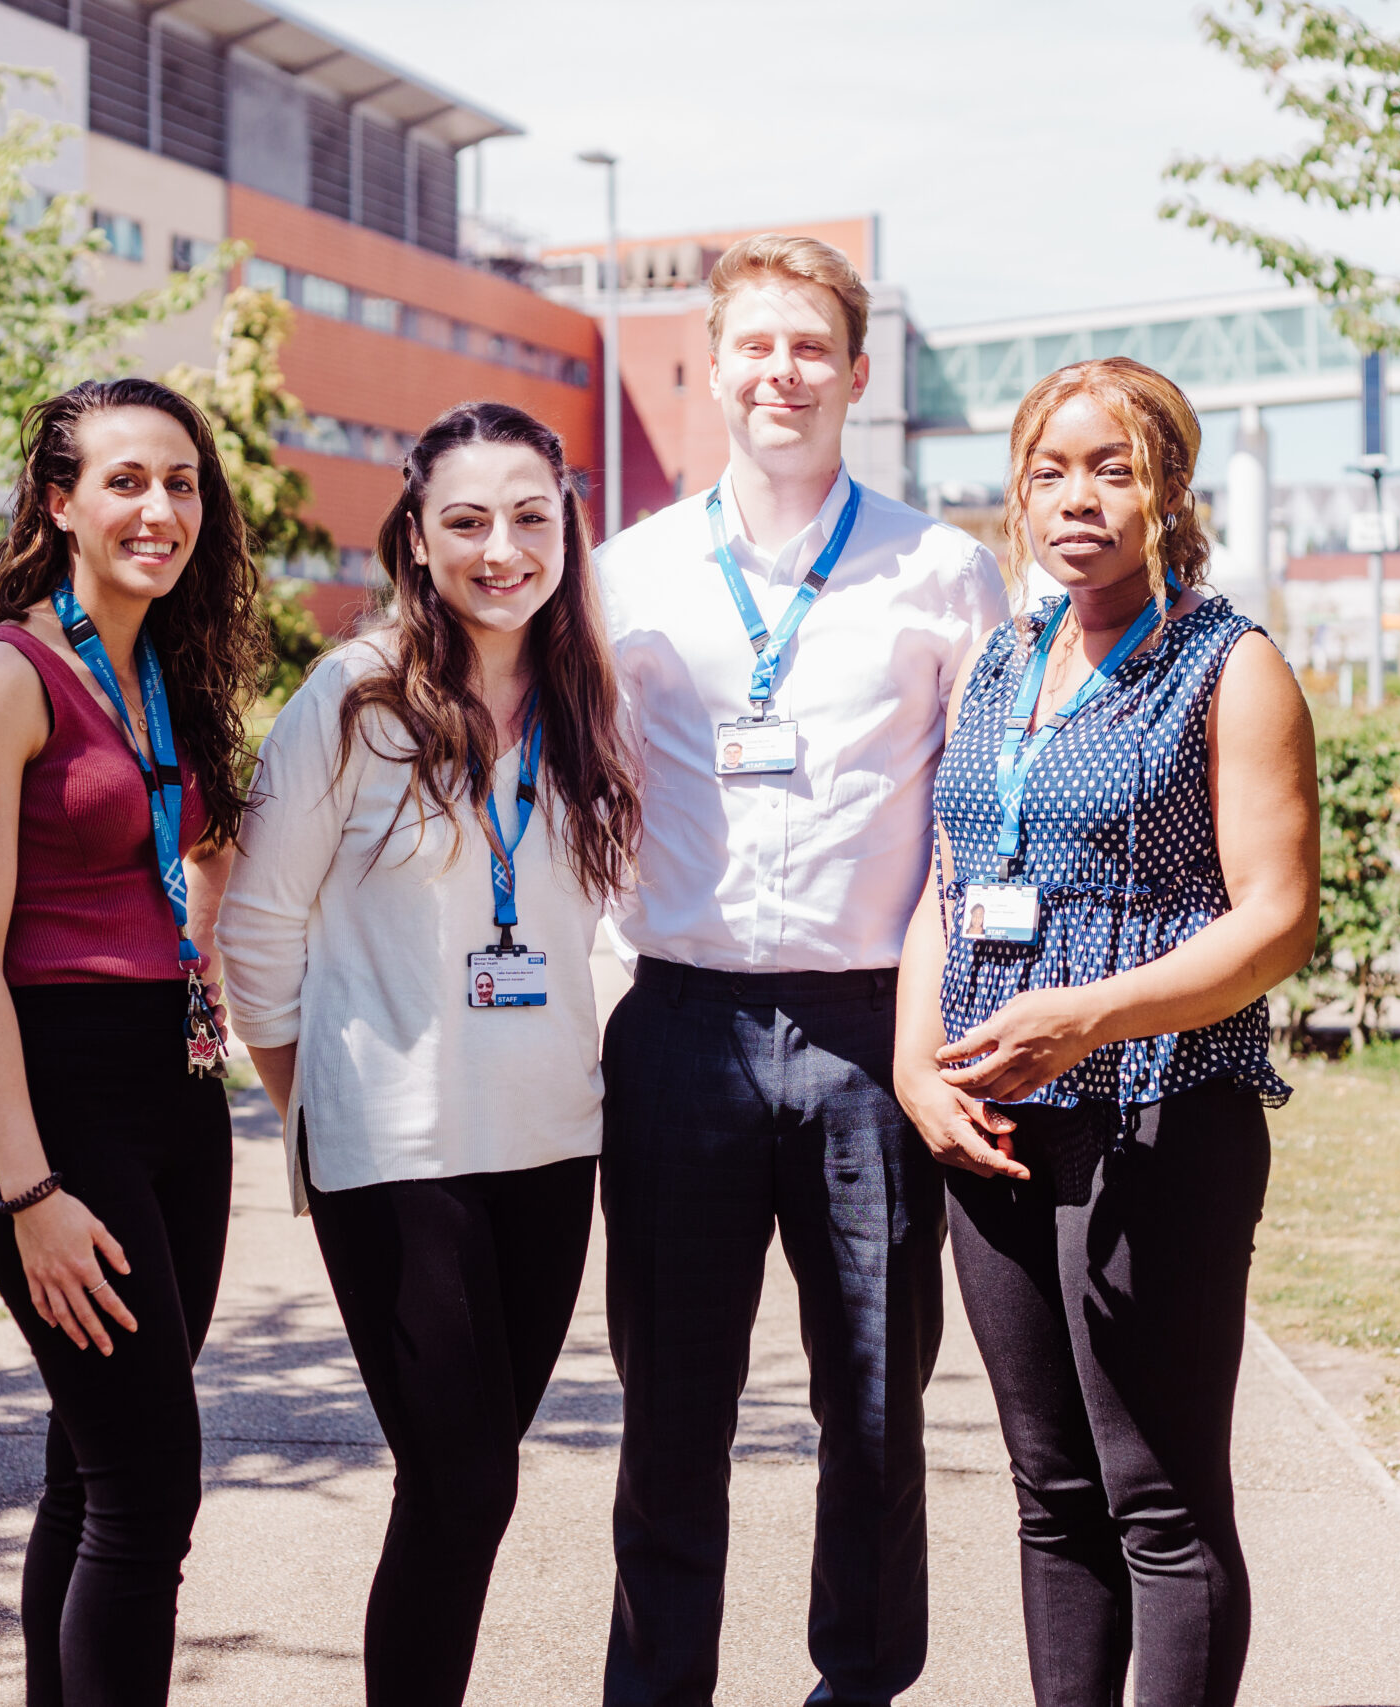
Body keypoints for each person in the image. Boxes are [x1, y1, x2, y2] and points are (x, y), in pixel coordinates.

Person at [595, 233, 1007, 1707]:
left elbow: (985, 818)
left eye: (809, 346)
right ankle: (657, 1688)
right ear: (711, 367)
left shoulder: (946, 572)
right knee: (671, 1409)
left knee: (877, 1404)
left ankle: (862, 1683)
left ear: (855, 368)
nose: (781, 372)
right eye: (754, 346)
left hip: (867, 1040)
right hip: (679, 1025)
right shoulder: (625, 574)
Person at [894, 357, 1319, 1707]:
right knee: (1051, 1488)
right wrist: (918, 1066)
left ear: (1170, 489)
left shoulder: (1229, 663)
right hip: (995, 1121)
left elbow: (1277, 921)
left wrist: (1092, 1014)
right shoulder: (1002, 661)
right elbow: (948, 881)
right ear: (1014, 492)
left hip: (1158, 1111)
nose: (1076, 496)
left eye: (1112, 467)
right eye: (1048, 469)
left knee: (1159, 1500)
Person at [217, 401, 641, 1707]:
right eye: (466, 518)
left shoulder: (586, 702)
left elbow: (608, 922)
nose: (501, 545)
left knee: (467, 1478)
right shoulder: (350, 700)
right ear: (415, 535)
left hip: (551, 1143)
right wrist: (324, 1107)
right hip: (395, 1156)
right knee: (464, 1479)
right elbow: (258, 928)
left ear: (566, 526)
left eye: (530, 514)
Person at [0, 376, 265, 1707]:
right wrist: (30, 1191)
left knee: (95, 1461)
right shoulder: (4, 676)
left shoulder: (161, 666)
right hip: (54, 1105)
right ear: (58, 502)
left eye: (181, 483)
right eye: (126, 480)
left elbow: (198, 852)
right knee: (149, 1485)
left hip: (176, 1090)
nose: (160, 508)